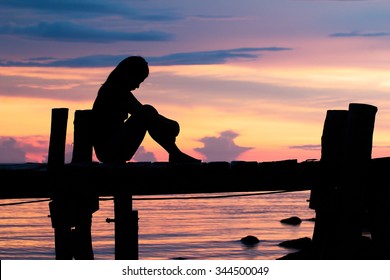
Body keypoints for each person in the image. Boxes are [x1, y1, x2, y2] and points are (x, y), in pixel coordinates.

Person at [91, 56, 201, 164]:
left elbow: (146, 113)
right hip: (109, 151)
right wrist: (170, 125)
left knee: (148, 112)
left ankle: (175, 153)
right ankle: (175, 153)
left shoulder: (117, 90)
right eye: (138, 80)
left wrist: (166, 124)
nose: (138, 86)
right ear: (129, 75)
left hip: (113, 147)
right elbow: (143, 113)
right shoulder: (114, 91)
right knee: (147, 111)